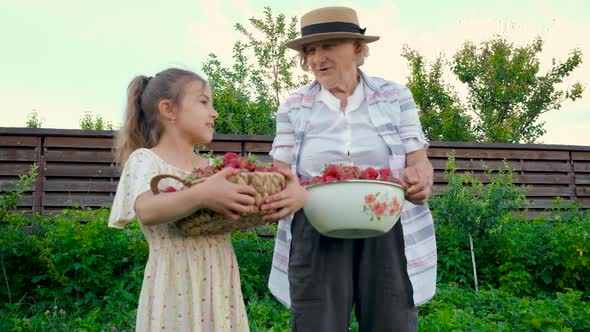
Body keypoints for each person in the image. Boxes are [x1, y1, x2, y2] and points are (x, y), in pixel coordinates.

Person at [261, 6, 437, 332]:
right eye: (310, 50)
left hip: (386, 222)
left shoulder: (395, 96)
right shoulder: (294, 106)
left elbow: (418, 159)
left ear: (357, 48)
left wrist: (421, 179)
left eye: (328, 45)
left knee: (392, 321)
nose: (317, 58)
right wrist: (273, 191)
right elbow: (280, 172)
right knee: (317, 323)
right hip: (315, 223)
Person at [109, 68, 257, 331]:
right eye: (203, 102)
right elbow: (147, 210)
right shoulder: (146, 160)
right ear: (168, 110)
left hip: (219, 280)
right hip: (174, 284)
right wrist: (202, 194)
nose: (214, 113)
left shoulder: (213, 167)